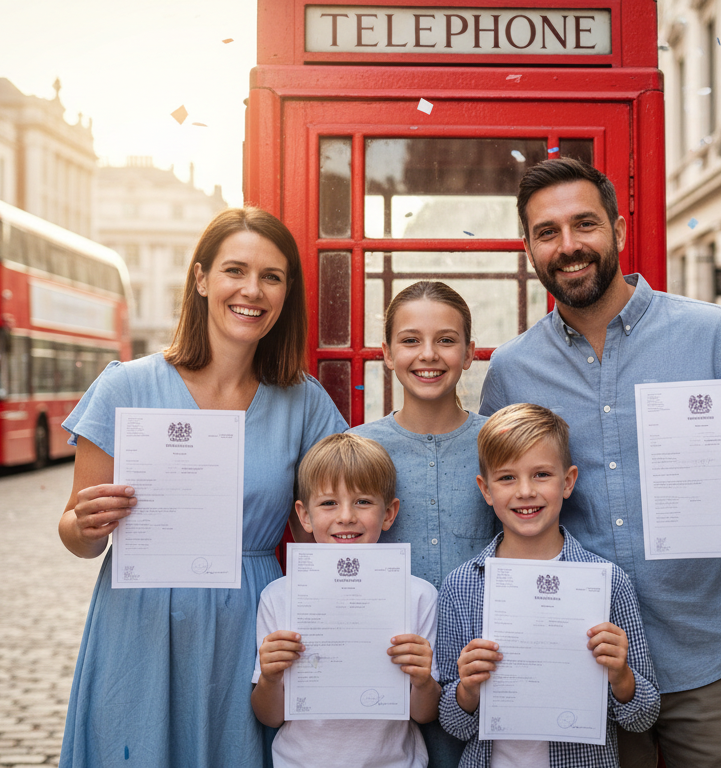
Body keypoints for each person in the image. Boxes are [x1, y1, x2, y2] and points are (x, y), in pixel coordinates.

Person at [480, 159, 721, 767]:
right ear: (529, 247)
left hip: (707, 650)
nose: (568, 246)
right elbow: (500, 511)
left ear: (617, 228)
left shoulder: (712, 333)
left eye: (584, 224)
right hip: (582, 662)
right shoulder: (512, 369)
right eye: (547, 232)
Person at [56, 207, 348, 768]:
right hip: (140, 620)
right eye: (235, 270)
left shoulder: (305, 402)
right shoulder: (126, 386)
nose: (252, 290)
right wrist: (88, 525)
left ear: (287, 293)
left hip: (252, 622)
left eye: (271, 276)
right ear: (200, 279)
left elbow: (345, 516)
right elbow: (76, 532)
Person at [436, 403, 659, 768]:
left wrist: (621, 676)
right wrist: (468, 689)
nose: (525, 491)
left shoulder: (607, 581)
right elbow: (453, 723)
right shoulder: (462, 586)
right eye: (507, 478)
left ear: (568, 481)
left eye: (541, 475)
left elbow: (643, 716)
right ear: (486, 489)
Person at [348, 281, 494, 768]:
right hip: (385, 682)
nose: (428, 355)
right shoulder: (355, 449)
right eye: (410, 340)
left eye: (446, 340)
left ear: (471, 353)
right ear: (387, 353)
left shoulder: (498, 445)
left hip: (482, 680)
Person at [252, 433, 441, 768]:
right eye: (328, 503)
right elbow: (270, 717)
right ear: (304, 515)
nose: (346, 516)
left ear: (389, 513)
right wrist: (269, 677)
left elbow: (423, 715)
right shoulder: (278, 598)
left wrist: (423, 680)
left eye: (363, 502)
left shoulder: (418, 597)